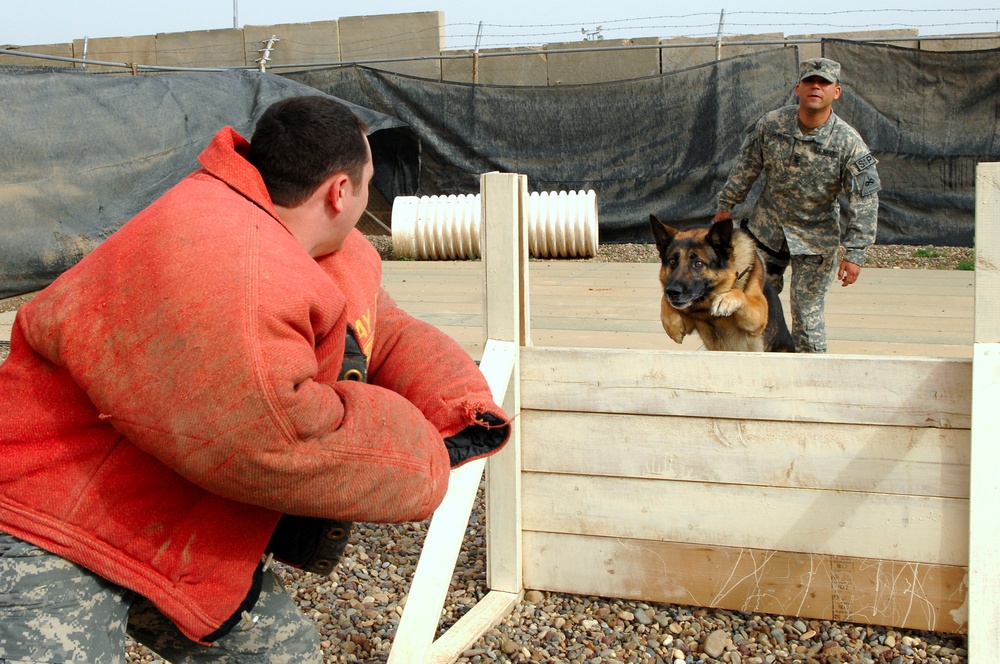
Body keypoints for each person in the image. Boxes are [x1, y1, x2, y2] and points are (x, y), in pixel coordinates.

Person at [0, 95, 510, 662]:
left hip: (167, 523)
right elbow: (277, 438)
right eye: (368, 184)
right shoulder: (235, 264)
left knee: (281, 653)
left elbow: (379, 327)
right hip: (47, 523)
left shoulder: (308, 240)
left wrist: (461, 406)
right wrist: (424, 461)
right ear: (341, 192)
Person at [713, 57, 881, 353]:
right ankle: (751, 364)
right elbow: (746, 169)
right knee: (750, 302)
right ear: (798, 89)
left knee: (807, 315)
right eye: (810, 82)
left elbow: (864, 200)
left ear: (836, 92)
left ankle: (811, 378)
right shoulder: (772, 125)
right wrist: (726, 206)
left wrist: (855, 252)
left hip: (815, 242)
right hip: (766, 236)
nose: (816, 87)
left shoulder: (849, 144)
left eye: (825, 83)